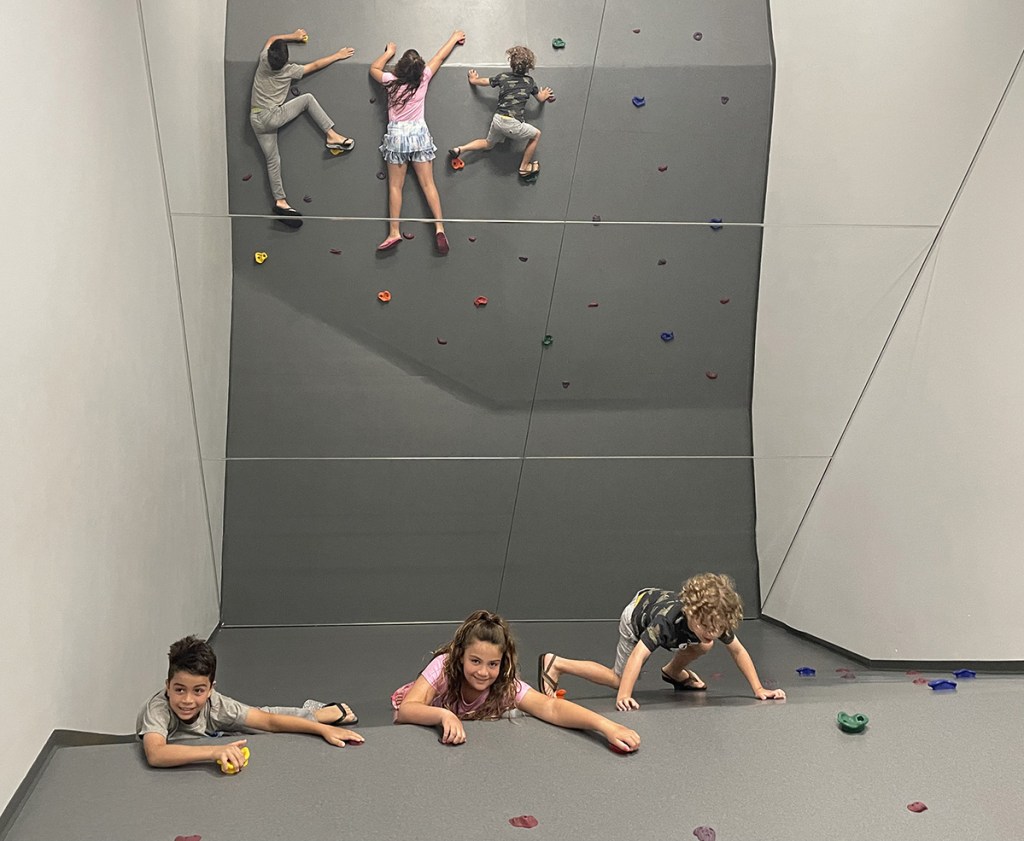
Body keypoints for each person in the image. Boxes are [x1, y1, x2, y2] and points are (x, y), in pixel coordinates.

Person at [392, 610, 640, 751]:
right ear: (460, 656)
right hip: (425, 727)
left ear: (502, 663)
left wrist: (607, 726)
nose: (483, 672)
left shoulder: (505, 685)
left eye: (493, 664)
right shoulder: (444, 667)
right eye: (475, 661)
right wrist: (443, 715)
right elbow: (407, 710)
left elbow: (551, 707)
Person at [538, 573, 786, 709]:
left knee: (705, 644)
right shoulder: (664, 624)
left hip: (657, 602)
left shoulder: (712, 621)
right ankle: (557, 664)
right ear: (690, 613)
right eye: (706, 627)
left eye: (717, 628)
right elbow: (639, 654)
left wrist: (759, 689)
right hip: (636, 616)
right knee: (618, 679)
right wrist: (625, 694)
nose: (712, 631)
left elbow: (738, 651)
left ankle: (672, 672)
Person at [137, 635, 363, 770]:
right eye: (179, 690)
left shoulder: (216, 705)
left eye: (198, 690)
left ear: (210, 690)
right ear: (167, 686)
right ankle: (316, 715)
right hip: (209, 737)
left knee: (259, 719)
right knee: (245, 729)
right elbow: (156, 754)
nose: (187, 700)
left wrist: (322, 730)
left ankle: (317, 715)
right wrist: (214, 752)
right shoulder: (158, 709)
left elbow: (268, 721)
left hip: (212, 729)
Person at [369, 32, 465, 254]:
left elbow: (373, 69)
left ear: (400, 68)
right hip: (418, 133)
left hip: (397, 137)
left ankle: (394, 231)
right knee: (428, 184)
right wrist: (453, 38)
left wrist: (388, 52)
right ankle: (439, 228)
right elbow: (439, 57)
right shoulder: (423, 79)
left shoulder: (390, 81)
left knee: (395, 186)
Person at [250, 29, 356, 228]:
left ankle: (280, 201)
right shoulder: (289, 70)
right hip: (272, 117)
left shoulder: (264, 60)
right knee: (307, 99)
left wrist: (293, 35)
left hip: (255, 119)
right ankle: (331, 135)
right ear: (285, 60)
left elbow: (272, 37)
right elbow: (315, 65)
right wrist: (337, 55)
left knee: (273, 160)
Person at [449, 46, 553, 179]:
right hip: (514, 124)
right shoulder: (529, 82)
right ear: (529, 67)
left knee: (488, 143)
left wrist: (473, 80)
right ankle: (524, 167)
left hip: (498, 120)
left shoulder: (503, 77)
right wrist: (545, 94)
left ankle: (460, 149)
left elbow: (484, 81)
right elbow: (540, 98)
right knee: (536, 135)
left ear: (511, 63)